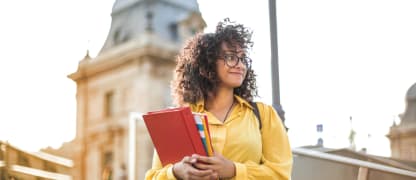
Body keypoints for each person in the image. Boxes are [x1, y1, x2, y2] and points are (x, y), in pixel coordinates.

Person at [145, 18, 292, 180]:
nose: (240, 65)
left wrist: (234, 170)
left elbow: (281, 174)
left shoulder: (264, 115)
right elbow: (153, 176)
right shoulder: (179, 120)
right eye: (230, 57)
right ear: (207, 63)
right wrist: (176, 172)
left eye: (243, 59)